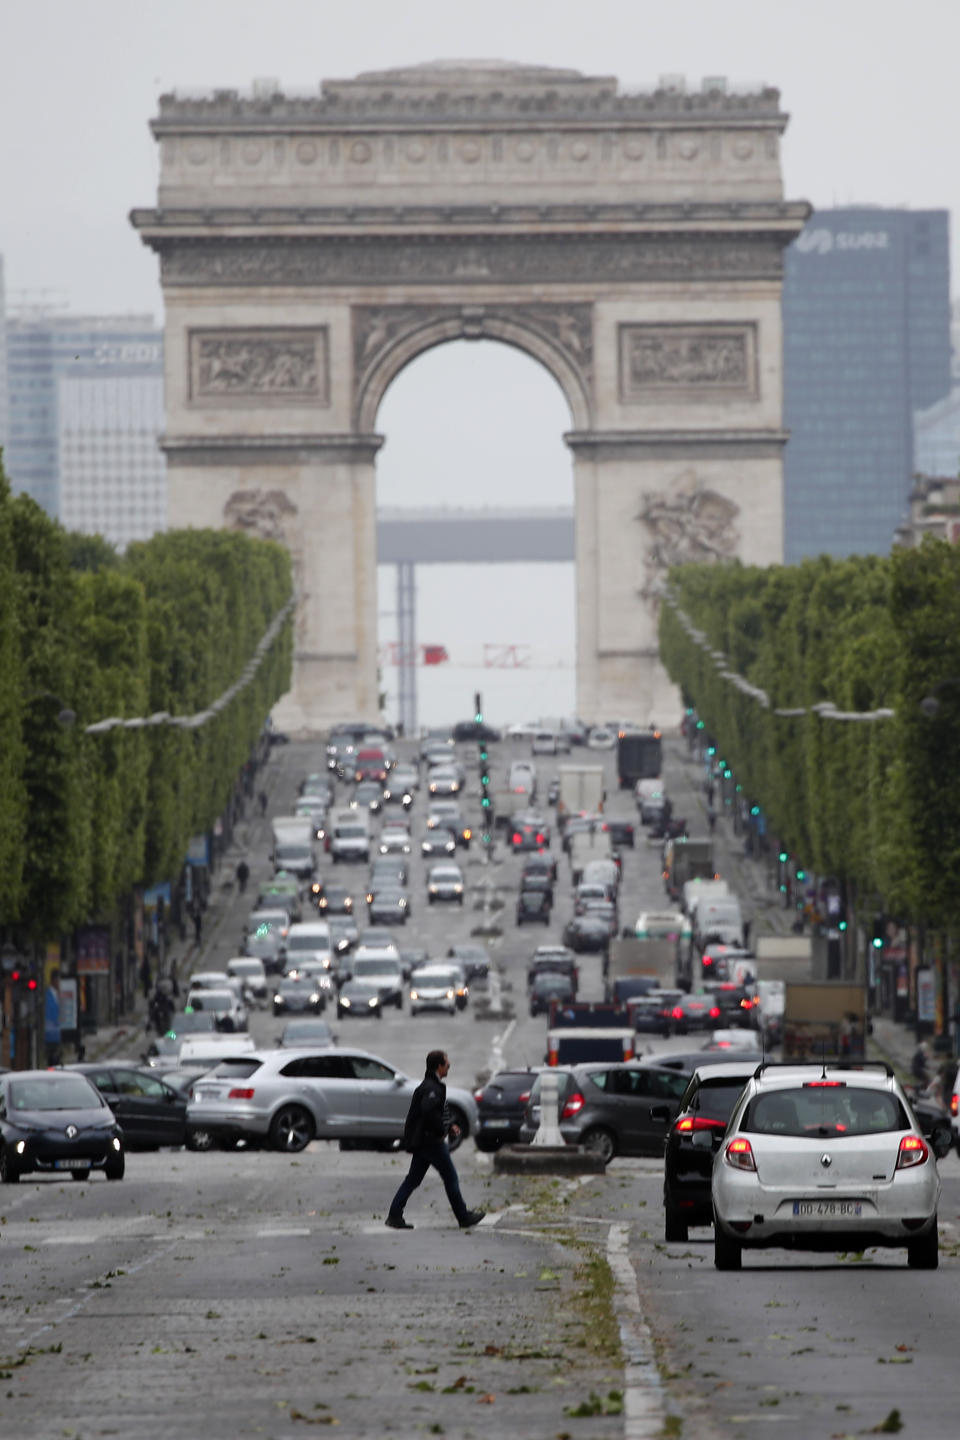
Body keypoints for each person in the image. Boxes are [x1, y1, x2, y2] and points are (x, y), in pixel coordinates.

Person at [385, 1050, 485, 1231]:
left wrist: (450, 1125)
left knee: (413, 1180)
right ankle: (463, 1216)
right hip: (431, 1142)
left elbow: (433, 1111)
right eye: (447, 1063)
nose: (449, 1066)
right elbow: (428, 1111)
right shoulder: (431, 1088)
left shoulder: (430, 1085)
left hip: (423, 1141)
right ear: (439, 1066)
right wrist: (442, 1129)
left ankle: (394, 1215)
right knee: (451, 1177)